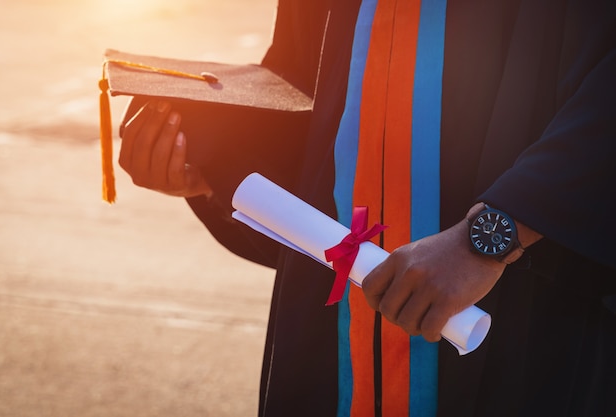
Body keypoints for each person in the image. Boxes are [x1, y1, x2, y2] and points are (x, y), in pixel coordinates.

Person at [117, 0, 616, 415]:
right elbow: (303, 89)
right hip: (335, 329)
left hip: (520, 313)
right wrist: (213, 167)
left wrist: (488, 238)